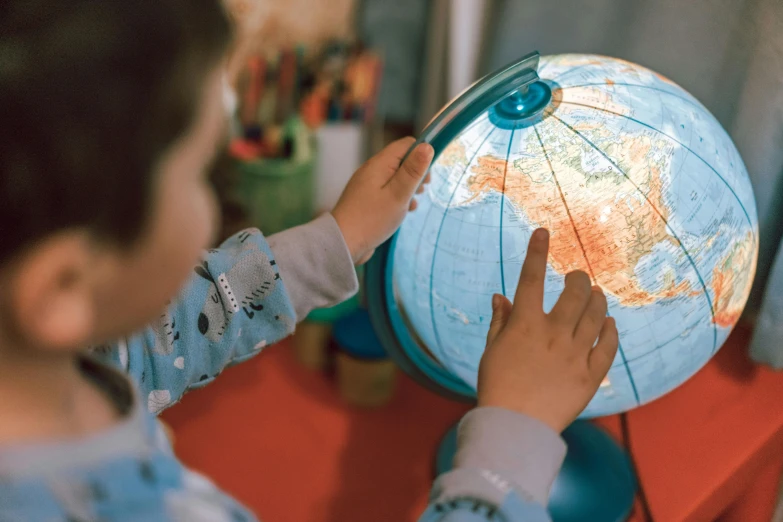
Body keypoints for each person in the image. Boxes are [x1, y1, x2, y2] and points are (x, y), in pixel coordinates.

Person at [0, 2, 618, 521]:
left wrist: (337, 240)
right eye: (198, 175)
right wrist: (510, 446)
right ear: (63, 285)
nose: (214, 202)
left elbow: (174, 331)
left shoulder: (63, 359)